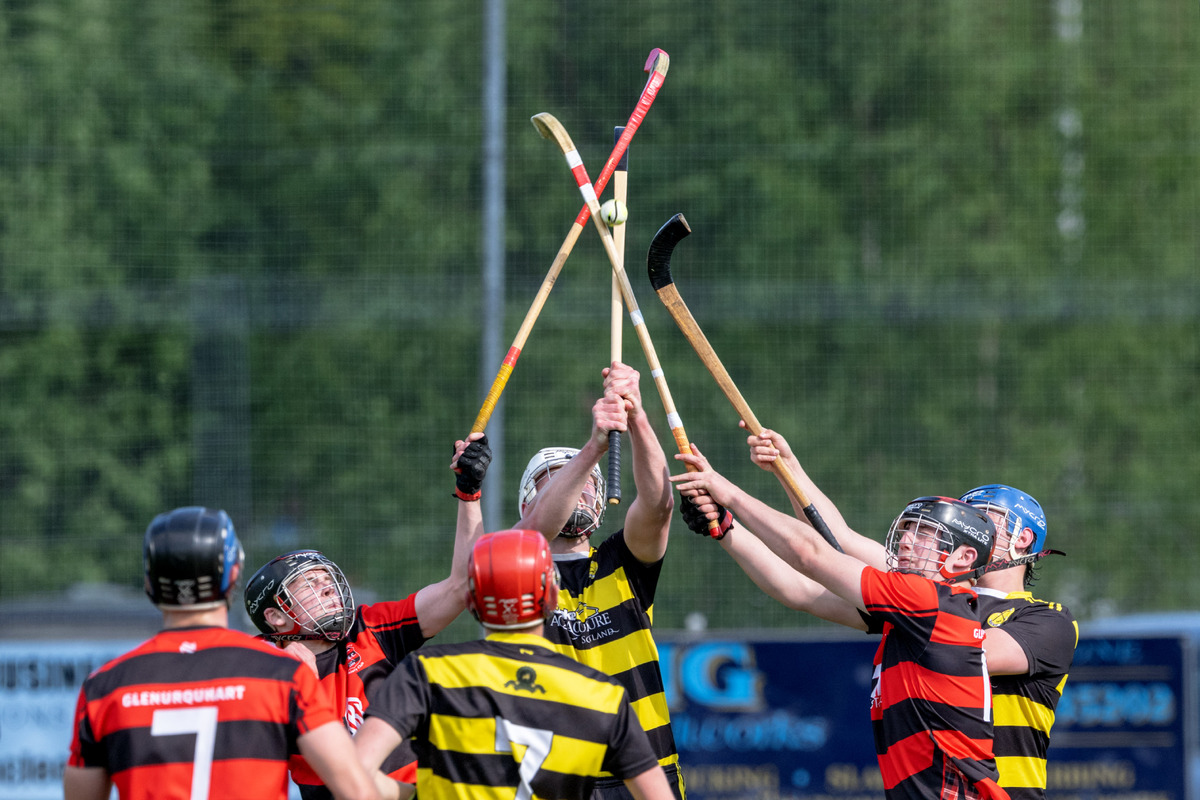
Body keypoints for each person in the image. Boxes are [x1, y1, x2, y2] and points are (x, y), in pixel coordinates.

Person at [687, 430, 1074, 799]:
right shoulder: (923, 603)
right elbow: (813, 574)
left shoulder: (1046, 619)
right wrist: (781, 476)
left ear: (1023, 538)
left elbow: (969, 651)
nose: (974, 526)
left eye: (985, 518)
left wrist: (732, 496)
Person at [64, 507, 381, 800]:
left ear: (150, 584)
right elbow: (356, 791)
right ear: (232, 576)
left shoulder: (104, 688)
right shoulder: (283, 674)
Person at [243, 433, 491, 800]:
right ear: (276, 618)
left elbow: (462, 588)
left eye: (327, 578)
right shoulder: (260, 664)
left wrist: (468, 494)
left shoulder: (371, 626)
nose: (327, 587)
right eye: (309, 584)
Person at [354, 529, 676, 800]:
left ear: (471, 600)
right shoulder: (603, 696)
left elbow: (355, 774)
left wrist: (417, 789)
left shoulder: (427, 672)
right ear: (551, 595)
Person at [515, 361, 683, 800]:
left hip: (647, 771)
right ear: (526, 503)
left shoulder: (621, 561)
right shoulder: (517, 568)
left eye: (588, 483)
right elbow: (534, 531)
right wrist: (593, 448)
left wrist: (637, 416)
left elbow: (659, 504)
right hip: (558, 778)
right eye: (553, 482)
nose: (580, 491)